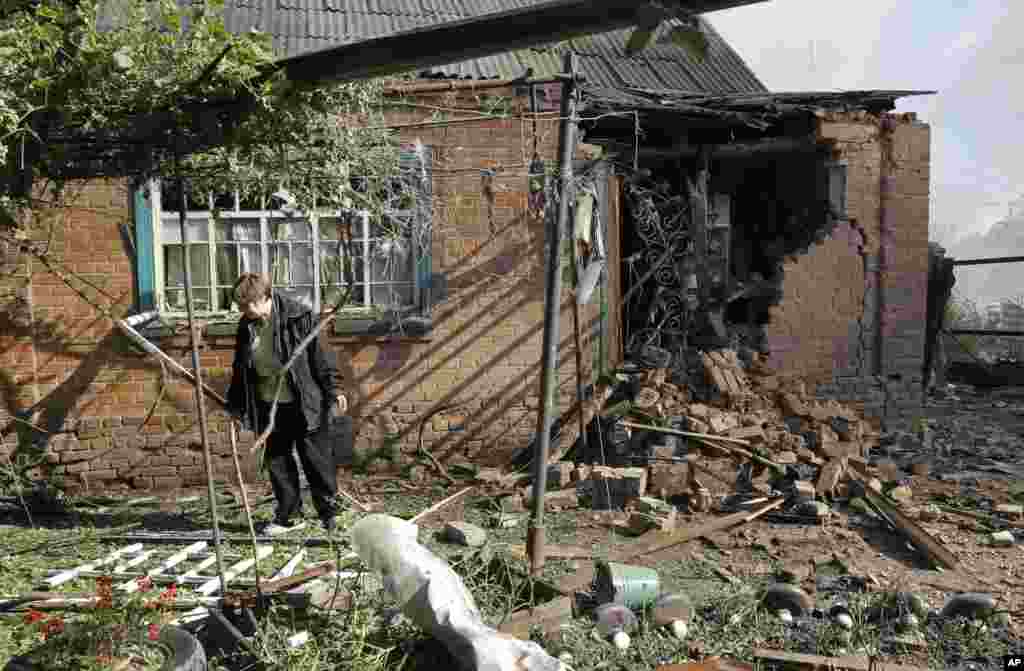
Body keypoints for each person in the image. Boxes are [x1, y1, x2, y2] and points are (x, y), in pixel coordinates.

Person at [226, 273, 347, 535]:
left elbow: (321, 357)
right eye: (239, 306)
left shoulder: (299, 317)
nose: (243, 311)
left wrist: (334, 389)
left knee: (317, 460)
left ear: (266, 297)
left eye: (247, 305)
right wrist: (236, 407)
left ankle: (331, 514)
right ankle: (289, 515)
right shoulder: (246, 326)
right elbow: (240, 369)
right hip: (268, 405)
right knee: (278, 462)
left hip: (304, 400)